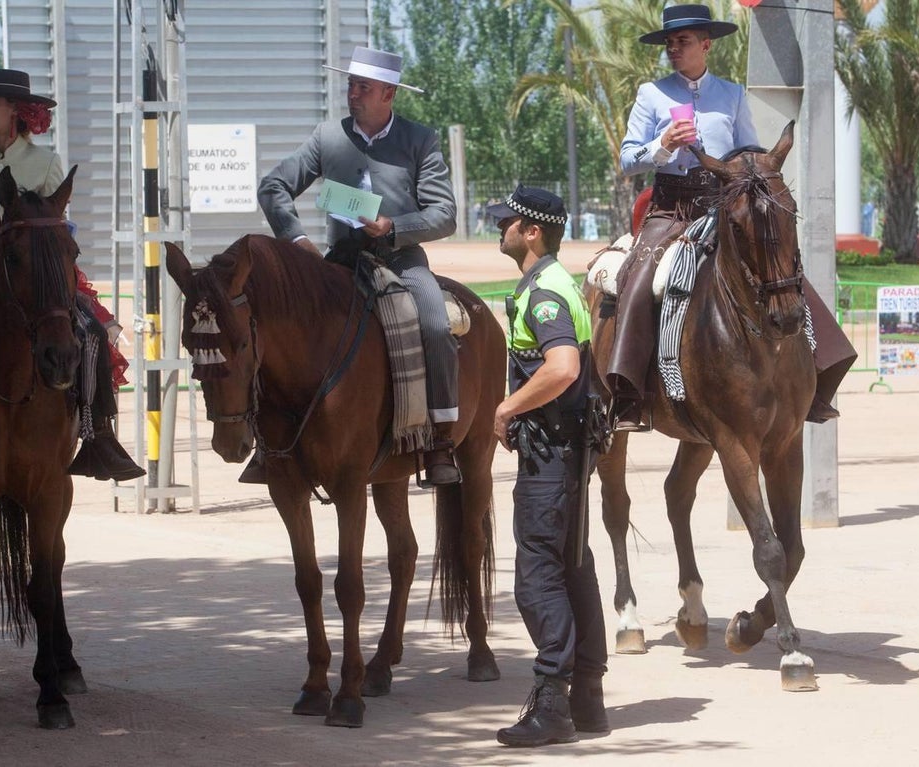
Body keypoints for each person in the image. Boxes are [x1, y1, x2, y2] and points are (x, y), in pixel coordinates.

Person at [608, 3, 855, 431]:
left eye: (682, 41)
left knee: (780, 268)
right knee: (640, 276)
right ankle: (628, 395)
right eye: (669, 43)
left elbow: (751, 154)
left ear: (706, 45)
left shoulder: (733, 94)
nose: (674, 49)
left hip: (724, 204)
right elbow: (628, 159)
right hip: (671, 209)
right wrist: (663, 144)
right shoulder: (652, 94)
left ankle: (820, 377)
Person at [0, 68, 144, 487]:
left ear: (15, 111)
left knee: (93, 334)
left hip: (36, 273)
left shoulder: (46, 162)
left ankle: (97, 437)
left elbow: (62, 229)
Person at [257, 46, 460, 486]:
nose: (352, 94)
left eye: (363, 87)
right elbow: (273, 185)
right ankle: (268, 440)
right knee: (277, 326)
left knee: (434, 321)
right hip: (341, 263)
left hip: (402, 260)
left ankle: (441, 437)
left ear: (388, 93)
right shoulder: (327, 137)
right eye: (350, 85)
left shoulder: (419, 139)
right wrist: (295, 241)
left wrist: (393, 226)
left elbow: (444, 213)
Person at [489, 186, 608, 748]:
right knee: (573, 563)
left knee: (538, 574)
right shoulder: (557, 281)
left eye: (507, 222)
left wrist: (508, 406)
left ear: (531, 231)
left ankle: (552, 704)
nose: (501, 228)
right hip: (567, 450)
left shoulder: (545, 292)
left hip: (551, 457)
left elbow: (561, 367)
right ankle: (587, 698)